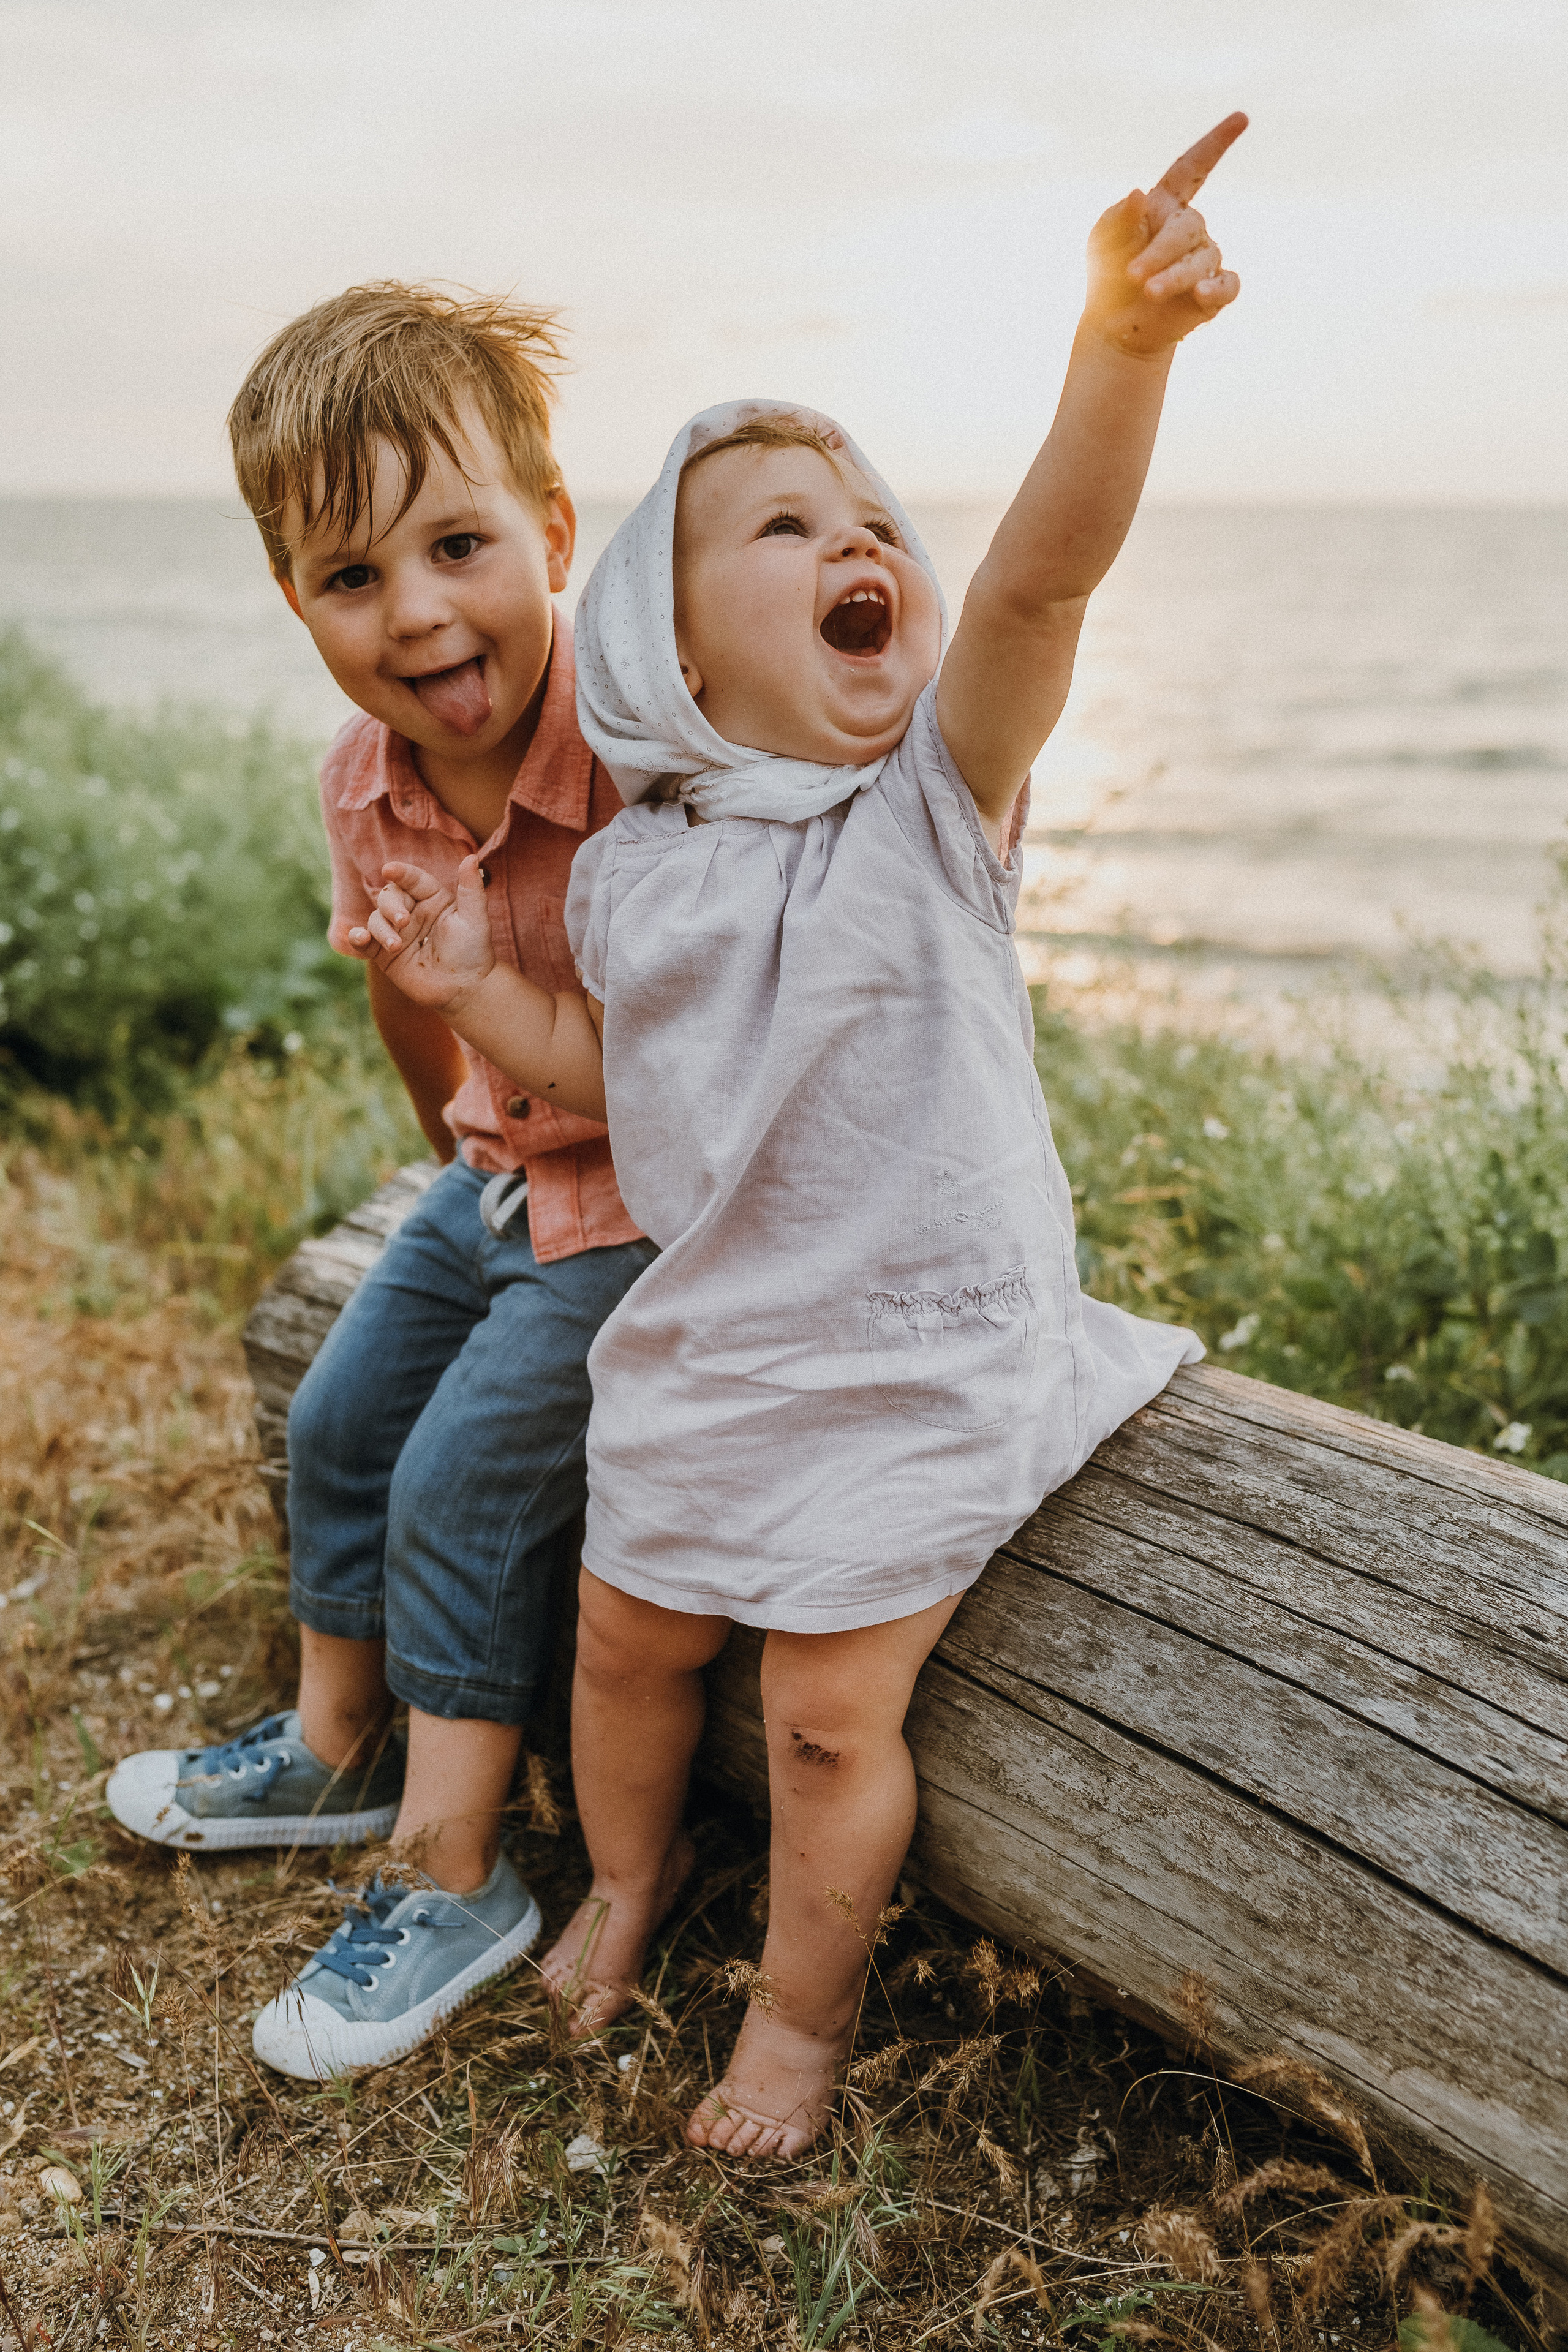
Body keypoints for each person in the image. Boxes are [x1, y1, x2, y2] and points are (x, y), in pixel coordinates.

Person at [355, 116, 1245, 2151]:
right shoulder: (637, 871)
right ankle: (629, 1879)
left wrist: (1119, 351)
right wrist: (472, 991)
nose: (862, 542)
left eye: (872, 519)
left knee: (829, 1715)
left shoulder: (927, 809)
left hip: (925, 1347)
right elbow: (622, 1072)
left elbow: (1040, 579)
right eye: (783, 524)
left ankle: (800, 2018)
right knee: (625, 1640)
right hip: (725, 1336)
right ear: (665, 654)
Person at [104, 284, 657, 2081]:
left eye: (458, 546)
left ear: (553, 531)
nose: (416, 610)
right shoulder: (367, 779)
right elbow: (395, 989)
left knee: (459, 1480)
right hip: (505, 1173)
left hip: (647, 1211)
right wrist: (451, 1156)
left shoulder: (643, 762)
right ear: (296, 599)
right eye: (353, 576)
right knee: (341, 1415)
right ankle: (336, 1747)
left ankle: (455, 1866)